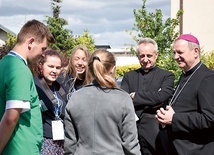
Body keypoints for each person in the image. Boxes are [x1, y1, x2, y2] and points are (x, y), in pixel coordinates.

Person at [64, 49, 141, 155]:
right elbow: (131, 144)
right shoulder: (123, 99)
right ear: (112, 69)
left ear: (90, 69)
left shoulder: (75, 97)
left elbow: (70, 145)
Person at [0, 19, 54, 155]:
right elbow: (11, 117)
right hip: (21, 149)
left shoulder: (4, 63)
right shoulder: (19, 70)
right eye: (42, 49)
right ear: (30, 42)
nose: (43, 54)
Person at [156, 34, 214, 155]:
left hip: (196, 150)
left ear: (195, 52)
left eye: (180, 52)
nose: (176, 57)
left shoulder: (208, 78)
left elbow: (210, 119)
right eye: (174, 53)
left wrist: (174, 118)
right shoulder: (185, 74)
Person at [121, 38, 174, 155]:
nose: (145, 60)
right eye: (142, 56)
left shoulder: (166, 75)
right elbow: (123, 100)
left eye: (149, 56)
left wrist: (134, 96)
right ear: (137, 56)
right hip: (132, 129)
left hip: (155, 131)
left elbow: (162, 96)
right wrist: (152, 100)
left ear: (156, 55)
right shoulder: (129, 76)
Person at [34, 49, 67, 155]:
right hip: (44, 141)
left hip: (61, 141)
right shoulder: (35, 85)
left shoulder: (59, 87)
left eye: (57, 68)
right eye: (50, 66)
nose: (54, 71)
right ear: (41, 66)